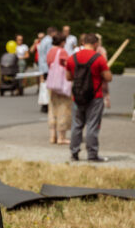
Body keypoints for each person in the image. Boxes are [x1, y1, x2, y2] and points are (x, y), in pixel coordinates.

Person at [66, 33, 112, 162]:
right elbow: (108, 77)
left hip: (77, 97)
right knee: (92, 126)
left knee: (76, 125)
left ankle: (74, 153)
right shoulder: (99, 59)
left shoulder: (72, 58)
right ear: (96, 44)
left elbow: (68, 77)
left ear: (83, 43)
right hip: (95, 97)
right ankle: (92, 154)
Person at [46, 32, 72, 145]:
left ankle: (52, 136)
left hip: (52, 84)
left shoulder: (50, 51)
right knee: (63, 109)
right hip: (61, 85)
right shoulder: (62, 51)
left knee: (52, 109)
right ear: (62, 42)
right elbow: (68, 65)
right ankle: (62, 137)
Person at [38, 27, 56, 112]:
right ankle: (46, 104)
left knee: (44, 85)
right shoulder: (49, 41)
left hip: (42, 66)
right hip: (47, 67)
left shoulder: (43, 40)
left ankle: (44, 104)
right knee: (47, 86)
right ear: (53, 33)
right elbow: (50, 55)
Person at [96, 34, 111, 108]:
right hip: (100, 71)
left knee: (101, 89)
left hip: (100, 71)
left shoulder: (101, 49)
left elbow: (104, 60)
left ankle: (101, 105)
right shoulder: (100, 49)